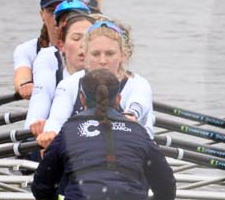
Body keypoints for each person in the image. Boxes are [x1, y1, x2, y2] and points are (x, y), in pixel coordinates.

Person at [30, 71, 176, 200]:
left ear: (82, 99)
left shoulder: (69, 129)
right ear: (118, 99)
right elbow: (166, 183)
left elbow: (43, 184)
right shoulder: (138, 130)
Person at [40, 18, 155, 147]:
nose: (102, 61)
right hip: (83, 154)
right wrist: (50, 133)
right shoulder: (69, 84)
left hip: (131, 151)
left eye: (110, 54)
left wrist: (131, 115)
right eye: (95, 54)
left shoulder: (138, 84)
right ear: (85, 55)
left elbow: (136, 109)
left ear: (123, 55)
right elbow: (57, 120)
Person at [14, 0, 99, 98]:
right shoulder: (28, 49)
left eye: (63, 11)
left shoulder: (92, 45)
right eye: (50, 10)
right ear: (42, 15)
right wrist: (26, 85)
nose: (56, 16)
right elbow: (21, 75)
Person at [26, 0, 95, 140]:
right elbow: (40, 100)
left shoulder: (109, 63)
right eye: (63, 20)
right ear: (61, 43)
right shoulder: (47, 57)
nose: (83, 45)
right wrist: (38, 125)